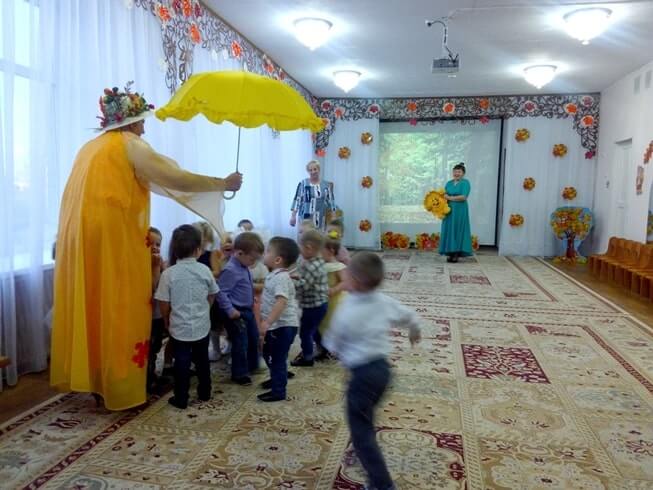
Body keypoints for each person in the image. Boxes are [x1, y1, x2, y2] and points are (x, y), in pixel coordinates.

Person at [50, 83, 242, 410]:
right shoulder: (130, 145)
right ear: (130, 121)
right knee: (120, 306)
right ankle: (120, 385)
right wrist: (221, 183)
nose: (144, 127)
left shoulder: (88, 149)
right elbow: (172, 177)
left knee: (94, 303)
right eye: (141, 121)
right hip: (115, 241)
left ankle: (97, 381)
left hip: (84, 242)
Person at [323, 252, 421, 490]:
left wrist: (334, 347)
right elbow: (410, 316)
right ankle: (370, 462)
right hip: (383, 372)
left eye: (347, 273)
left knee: (361, 433)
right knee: (365, 416)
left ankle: (382, 484)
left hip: (362, 376)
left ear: (355, 281)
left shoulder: (346, 309)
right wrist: (414, 330)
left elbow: (332, 342)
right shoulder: (382, 300)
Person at [154, 225, 219, 410]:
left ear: (174, 250)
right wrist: (206, 309)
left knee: (181, 363)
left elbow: (163, 301)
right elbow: (213, 293)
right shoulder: (205, 270)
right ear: (198, 249)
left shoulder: (168, 274)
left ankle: (181, 398)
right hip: (201, 325)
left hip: (179, 327)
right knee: (202, 360)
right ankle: (205, 392)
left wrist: (166, 319)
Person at [217, 232, 265, 385]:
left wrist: (251, 297)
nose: (253, 262)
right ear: (239, 253)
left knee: (253, 337)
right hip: (236, 312)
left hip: (247, 309)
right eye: (252, 259)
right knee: (241, 342)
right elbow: (221, 293)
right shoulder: (230, 270)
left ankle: (252, 365)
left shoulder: (243, 266)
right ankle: (239, 373)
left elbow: (243, 285)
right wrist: (230, 311)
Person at [258, 237, 301, 402]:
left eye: (268, 251)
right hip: (278, 326)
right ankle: (279, 375)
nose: (264, 253)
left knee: (275, 357)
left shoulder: (280, 278)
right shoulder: (277, 275)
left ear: (277, 260)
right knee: (270, 354)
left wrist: (267, 322)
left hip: (282, 326)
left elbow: (281, 301)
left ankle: (278, 391)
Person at [291, 230, 329, 367]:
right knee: (314, 328)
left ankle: (307, 357)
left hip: (313, 306)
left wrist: (291, 283)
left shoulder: (311, 266)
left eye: (300, 248)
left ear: (308, 247)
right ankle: (323, 348)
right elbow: (307, 279)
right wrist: (298, 276)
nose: (300, 251)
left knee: (305, 332)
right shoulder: (317, 261)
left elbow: (304, 286)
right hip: (320, 304)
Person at [317, 237, 347, 360]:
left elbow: (345, 282)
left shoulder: (338, 267)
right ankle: (323, 347)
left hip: (335, 301)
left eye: (320, 250)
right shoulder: (319, 265)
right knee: (321, 323)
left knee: (332, 323)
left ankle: (337, 347)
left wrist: (334, 290)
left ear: (330, 251)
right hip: (321, 300)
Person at [147, 226, 168, 394]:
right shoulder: (143, 265)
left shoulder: (160, 263)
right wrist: (155, 269)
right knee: (147, 349)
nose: (155, 247)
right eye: (150, 243)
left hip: (157, 315)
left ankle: (152, 374)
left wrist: (162, 269)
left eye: (158, 244)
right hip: (147, 317)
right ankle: (147, 380)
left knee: (155, 347)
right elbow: (154, 289)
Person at [439, 163, 473, 263]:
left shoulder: (465, 183)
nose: (456, 174)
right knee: (449, 229)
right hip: (448, 210)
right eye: (455, 172)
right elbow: (444, 194)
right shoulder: (449, 183)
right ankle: (450, 252)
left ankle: (456, 253)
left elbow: (463, 197)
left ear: (463, 173)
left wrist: (450, 198)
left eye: (459, 172)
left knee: (458, 229)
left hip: (460, 210)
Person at [290, 160, 336, 232]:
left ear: (319, 170)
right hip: (305, 219)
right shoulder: (303, 183)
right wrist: (293, 216)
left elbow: (331, 201)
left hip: (320, 218)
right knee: (305, 238)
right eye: (310, 170)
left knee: (318, 237)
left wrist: (333, 216)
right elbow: (297, 200)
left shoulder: (326, 185)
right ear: (308, 171)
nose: (313, 172)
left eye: (315, 169)